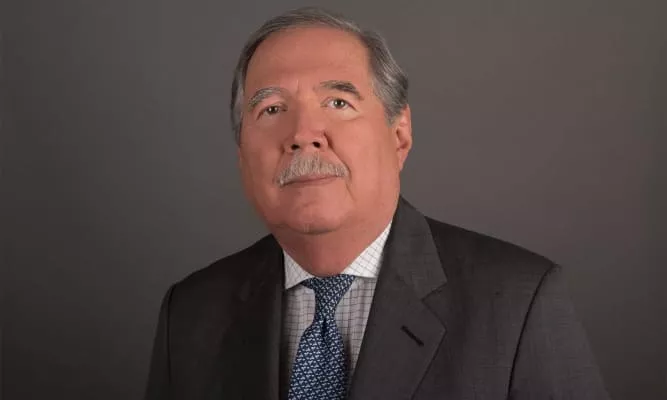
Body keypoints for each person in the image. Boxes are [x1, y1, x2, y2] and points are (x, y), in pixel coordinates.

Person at [145, 7, 609, 400]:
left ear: (399, 135)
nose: (303, 134)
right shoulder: (190, 314)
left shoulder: (518, 302)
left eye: (337, 103)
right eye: (272, 109)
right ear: (242, 154)